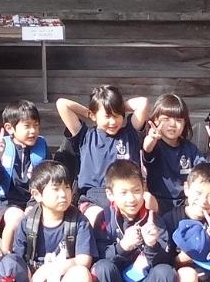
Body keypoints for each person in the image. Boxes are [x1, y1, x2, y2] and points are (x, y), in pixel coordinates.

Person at [0, 161, 96, 282]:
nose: (63, 194)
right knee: (7, 266)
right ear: (37, 195)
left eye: (67, 188)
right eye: (56, 189)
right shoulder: (29, 222)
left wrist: (49, 270)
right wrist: (31, 274)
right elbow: (19, 259)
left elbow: (84, 259)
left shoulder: (78, 221)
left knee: (81, 273)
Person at [53, 84, 147, 213]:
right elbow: (62, 104)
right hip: (93, 197)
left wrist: (115, 107)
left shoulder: (129, 135)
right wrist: (91, 112)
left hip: (127, 195)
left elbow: (143, 103)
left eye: (117, 115)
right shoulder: (85, 136)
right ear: (93, 115)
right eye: (107, 116)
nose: (113, 122)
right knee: (96, 217)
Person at [0, 100, 48, 255]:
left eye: (36, 125)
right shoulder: (2, 147)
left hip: (34, 199)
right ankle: (6, 256)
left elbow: (45, 178)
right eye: (27, 126)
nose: (33, 131)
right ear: (10, 128)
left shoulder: (42, 146)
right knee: (16, 218)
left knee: (37, 216)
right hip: (7, 203)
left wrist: (33, 203)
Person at [142, 92, 205, 221]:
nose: (172, 124)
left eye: (178, 120)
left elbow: (204, 170)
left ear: (185, 123)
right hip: (159, 202)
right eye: (166, 119)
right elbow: (147, 150)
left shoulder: (190, 149)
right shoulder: (155, 145)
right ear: (155, 120)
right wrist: (150, 140)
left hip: (185, 203)